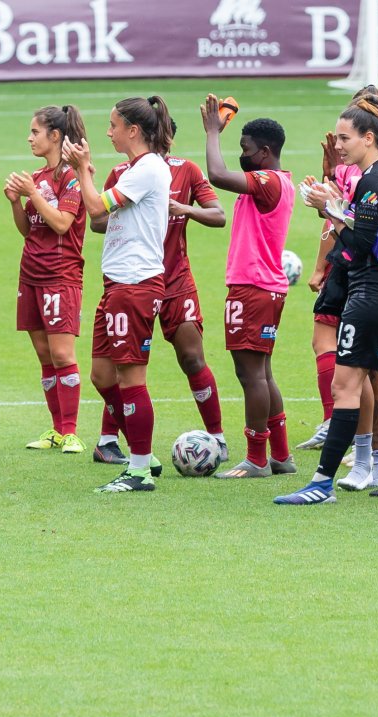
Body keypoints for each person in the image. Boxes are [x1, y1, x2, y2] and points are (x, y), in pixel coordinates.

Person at [275, 99, 378, 505]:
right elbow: (373, 235)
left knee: (345, 386)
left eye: (345, 138)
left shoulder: (374, 180)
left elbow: (361, 244)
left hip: (374, 294)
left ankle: (321, 484)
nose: (339, 144)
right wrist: (336, 208)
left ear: (369, 138)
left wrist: (329, 211)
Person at [91, 120, 227, 465]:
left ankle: (217, 437)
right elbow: (96, 220)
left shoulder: (186, 170)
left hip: (174, 281)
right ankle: (111, 439)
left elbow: (218, 215)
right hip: (132, 277)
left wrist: (185, 210)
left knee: (191, 357)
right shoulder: (123, 171)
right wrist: (133, 210)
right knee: (120, 365)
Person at [64, 96, 173, 493]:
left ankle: (140, 468)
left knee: (131, 379)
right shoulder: (135, 169)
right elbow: (102, 217)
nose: (108, 132)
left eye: (112, 125)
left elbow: (94, 207)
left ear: (133, 130)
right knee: (101, 375)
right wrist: (86, 174)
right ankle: (144, 455)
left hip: (136, 284)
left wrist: (81, 171)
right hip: (117, 283)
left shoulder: (148, 168)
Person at [200, 98, 298, 479]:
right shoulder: (278, 180)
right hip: (264, 287)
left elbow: (217, 175)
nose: (242, 156)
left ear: (265, 152)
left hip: (252, 287)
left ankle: (257, 458)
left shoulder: (269, 182)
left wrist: (211, 133)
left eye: (246, 150)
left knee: (250, 374)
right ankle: (281, 455)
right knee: (263, 372)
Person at [6, 105, 89, 455]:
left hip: (61, 274)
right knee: (43, 354)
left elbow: (61, 224)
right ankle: (56, 429)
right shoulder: (38, 177)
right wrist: (14, 202)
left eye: (35, 132)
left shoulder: (71, 178)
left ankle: (71, 432)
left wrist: (33, 194)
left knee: (61, 352)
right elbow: (29, 230)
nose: (29, 138)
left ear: (55, 136)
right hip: (32, 274)